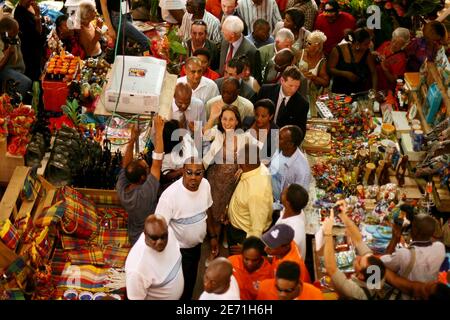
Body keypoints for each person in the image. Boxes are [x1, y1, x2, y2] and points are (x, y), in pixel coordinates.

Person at [155, 157, 213, 300]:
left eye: (198, 173)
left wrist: (213, 237)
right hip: (177, 252)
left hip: (196, 249)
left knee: (189, 285)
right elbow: (158, 228)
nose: (193, 178)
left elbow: (208, 210)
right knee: (176, 290)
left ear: (203, 174)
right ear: (183, 172)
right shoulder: (170, 196)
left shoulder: (205, 185)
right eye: (189, 172)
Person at [202, 105, 254, 262]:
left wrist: (244, 169)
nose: (227, 122)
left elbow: (259, 155)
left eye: (231, 119)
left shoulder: (246, 137)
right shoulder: (217, 133)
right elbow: (203, 135)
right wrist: (212, 117)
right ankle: (214, 248)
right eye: (224, 119)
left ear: (237, 121)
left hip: (234, 181)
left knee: (230, 212)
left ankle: (226, 237)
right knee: (215, 213)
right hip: (215, 178)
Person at [322, 201, 387, 299]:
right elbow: (358, 240)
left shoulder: (358, 292)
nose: (358, 257)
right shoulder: (376, 274)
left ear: (361, 276)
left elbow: (331, 268)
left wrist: (327, 233)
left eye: (359, 261)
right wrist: (343, 215)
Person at [116, 116, 164, 245]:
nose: (145, 163)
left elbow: (125, 166)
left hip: (134, 236)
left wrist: (133, 139)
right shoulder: (146, 193)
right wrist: (159, 130)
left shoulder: (122, 189)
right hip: (150, 235)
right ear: (143, 177)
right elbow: (157, 163)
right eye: (145, 166)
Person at [381, 213, 446, 299]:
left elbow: (383, 263)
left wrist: (394, 238)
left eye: (412, 226)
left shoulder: (404, 254)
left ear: (414, 231)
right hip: (429, 295)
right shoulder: (440, 248)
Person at [227, 142, 273, 253]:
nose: (236, 158)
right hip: (235, 227)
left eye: (239, 157)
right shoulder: (255, 168)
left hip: (242, 236)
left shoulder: (257, 192)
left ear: (245, 162)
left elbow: (258, 226)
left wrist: (248, 247)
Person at [125, 214, 184, 300]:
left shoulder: (169, 232)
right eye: (154, 238)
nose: (160, 242)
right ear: (145, 234)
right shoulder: (136, 268)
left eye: (163, 237)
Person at [257, 66, 309, 135]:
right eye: (290, 85)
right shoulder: (265, 91)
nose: (293, 90)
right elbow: (256, 114)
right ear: (282, 81)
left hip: (283, 141)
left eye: (297, 86)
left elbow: (300, 132)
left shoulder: (302, 104)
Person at [328, 28, 377, 95]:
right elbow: (330, 69)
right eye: (365, 44)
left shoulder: (366, 53)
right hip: (339, 92)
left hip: (358, 92)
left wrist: (374, 90)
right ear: (357, 44)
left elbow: (373, 72)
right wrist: (345, 74)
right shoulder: (338, 50)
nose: (368, 47)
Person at [219, 15, 261, 83]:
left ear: (232, 34)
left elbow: (254, 78)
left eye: (224, 30)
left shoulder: (251, 51)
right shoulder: (224, 42)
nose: (222, 31)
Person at [297, 30, 329, 116]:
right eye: (306, 41)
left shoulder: (322, 60)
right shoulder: (300, 53)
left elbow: (326, 83)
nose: (306, 44)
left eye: (309, 43)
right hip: (296, 91)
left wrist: (313, 77)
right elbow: (289, 69)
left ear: (317, 46)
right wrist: (299, 73)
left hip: (311, 96)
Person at [0, 16, 32, 101]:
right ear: (5, 32)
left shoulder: (14, 36)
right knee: (25, 83)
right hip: (4, 70)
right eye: (14, 32)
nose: (17, 33)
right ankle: (13, 106)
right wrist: (8, 53)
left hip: (18, 69)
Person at [257, 261, 323, 300]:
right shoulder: (264, 288)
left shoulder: (315, 295)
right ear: (275, 279)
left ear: (298, 284)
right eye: (279, 289)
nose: (282, 294)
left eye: (288, 290)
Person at [275, 184, 308, 261]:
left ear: (287, 203)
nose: (282, 192)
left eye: (284, 193)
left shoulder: (290, 232)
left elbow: (278, 257)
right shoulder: (297, 211)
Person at [14, 0, 44, 81]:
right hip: (29, 53)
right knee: (33, 77)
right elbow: (37, 33)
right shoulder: (19, 14)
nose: (31, 1)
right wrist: (37, 15)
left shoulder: (27, 9)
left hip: (34, 51)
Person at [374, 27, 410, 92]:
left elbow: (393, 80)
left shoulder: (401, 59)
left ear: (404, 45)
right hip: (375, 80)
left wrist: (384, 68)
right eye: (394, 40)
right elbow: (376, 55)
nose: (394, 44)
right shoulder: (386, 44)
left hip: (384, 88)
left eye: (398, 43)